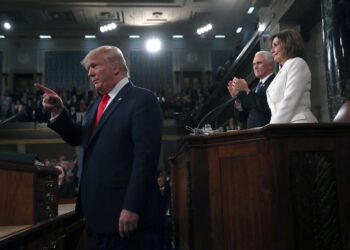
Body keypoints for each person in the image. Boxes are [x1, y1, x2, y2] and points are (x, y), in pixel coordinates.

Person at [34, 45, 163, 250]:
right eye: (88, 69)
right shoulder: (97, 105)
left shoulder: (142, 100)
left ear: (116, 68)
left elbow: (145, 160)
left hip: (126, 215)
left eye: (94, 66)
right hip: (97, 217)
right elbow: (80, 138)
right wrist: (59, 112)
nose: (90, 73)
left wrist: (132, 206)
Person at [266, 29, 318, 123]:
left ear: (288, 45)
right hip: (284, 127)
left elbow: (289, 100)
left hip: (299, 124)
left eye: (276, 45)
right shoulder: (282, 71)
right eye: (271, 47)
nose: (272, 50)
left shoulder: (297, 63)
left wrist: (274, 128)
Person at [227, 51, 275, 128]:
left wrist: (247, 90)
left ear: (270, 65)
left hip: (268, 133)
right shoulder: (255, 88)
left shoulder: (275, 82)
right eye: (254, 64)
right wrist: (237, 99)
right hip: (253, 134)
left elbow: (268, 107)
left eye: (259, 63)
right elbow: (243, 118)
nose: (255, 67)